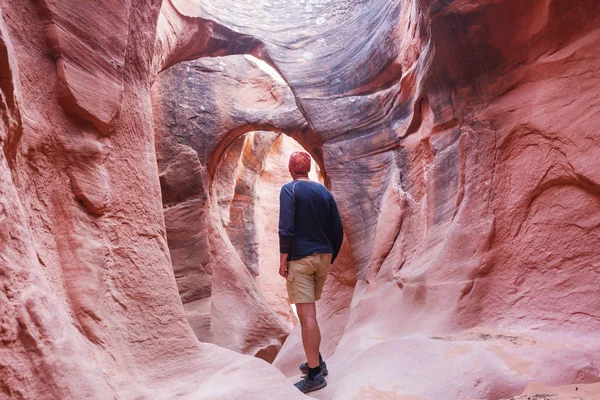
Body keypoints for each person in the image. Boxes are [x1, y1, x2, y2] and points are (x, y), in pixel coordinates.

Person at [278, 151, 344, 394]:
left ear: (290, 168)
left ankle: (315, 374)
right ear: (307, 169)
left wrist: (283, 259)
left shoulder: (289, 190)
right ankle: (317, 360)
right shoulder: (324, 192)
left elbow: (286, 227)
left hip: (301, 259)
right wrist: (330, 254)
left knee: (306, 315)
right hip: (323, 257)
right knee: (310, 314)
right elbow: (337, 228)